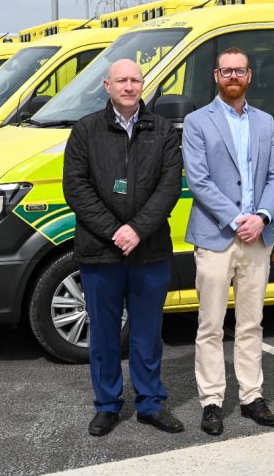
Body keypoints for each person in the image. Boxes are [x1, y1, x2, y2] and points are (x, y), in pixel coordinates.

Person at [62, 58, 184, 437]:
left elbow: (169, 187)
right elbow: (76, 188)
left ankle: (150, 404)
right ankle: (107, 405)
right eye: (121, 80)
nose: (129, 86)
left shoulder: (162, 131)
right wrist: (117, 231)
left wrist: (137, 230)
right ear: (107, 86)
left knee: (148, 333)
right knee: (103, 335)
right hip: (101, 252)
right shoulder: (85, 130)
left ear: (142, 84)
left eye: (135, 80)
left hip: (150, 252)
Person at [182, 46, 274, 436]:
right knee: (210, 324)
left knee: (251, 323)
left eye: (239, 71)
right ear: (216, 76)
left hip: (256, 237)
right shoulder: (196, 121)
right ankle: (211, 401)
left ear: (249, 76)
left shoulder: (264, 121)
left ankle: (251, 396)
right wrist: (236, 218)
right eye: (226, 71)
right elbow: (198, 179)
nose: (233, 77)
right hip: (214, 236)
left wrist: (260, 218)